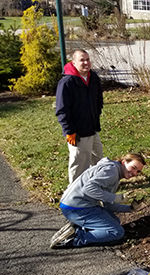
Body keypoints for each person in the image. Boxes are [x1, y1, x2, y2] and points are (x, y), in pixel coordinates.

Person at [49, 153, 146, 249]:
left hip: (76, 204)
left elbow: (108, 205)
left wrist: (130, 208)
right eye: (133, 167)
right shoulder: (111, 171)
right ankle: (73, 238)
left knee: (115, 221)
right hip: (75, 208)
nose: (134, 173)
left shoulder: (114, 171)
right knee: (116, 232)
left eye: (138, 171)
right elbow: (88, 189)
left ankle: (77, 227)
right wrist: (117, 198)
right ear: (124, 162)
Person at [55, 49, 104, 183]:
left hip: (92, 129)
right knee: (79, 164)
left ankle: (97, 184)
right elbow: (61, 110)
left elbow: (98, 99)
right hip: (77, 133)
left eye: (87, 59)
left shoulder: (92, 77)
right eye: (82, 60)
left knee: (98, 159)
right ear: (74, 62)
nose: (86, 63)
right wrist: (69, 131)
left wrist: (96, 115)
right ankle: (74, 193)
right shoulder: (67, 83)